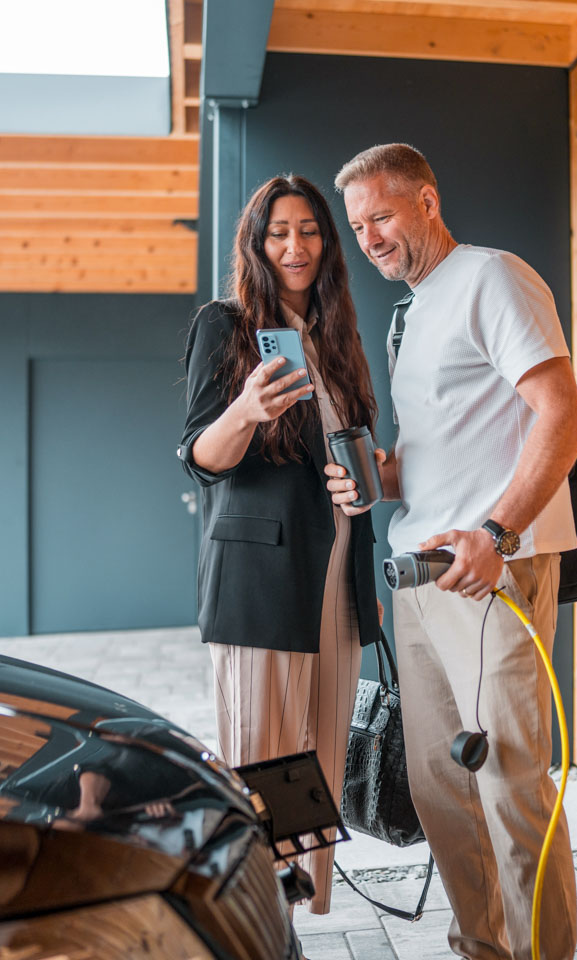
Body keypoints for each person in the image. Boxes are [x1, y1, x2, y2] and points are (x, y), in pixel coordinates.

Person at [327, 144, 577, 959]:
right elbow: (442, 447)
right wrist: (380, 474)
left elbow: (563, 416)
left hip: (489, 575)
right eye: (358, 224)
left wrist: (499, 533)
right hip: (419, 576)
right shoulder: (412, 311)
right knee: (441, 788)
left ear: (427, 202)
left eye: (382, 215)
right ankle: (482, 948)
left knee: (509, 781)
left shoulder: (492, 277)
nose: (369, 236)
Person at [177, 173, 383, 914]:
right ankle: (261, 909)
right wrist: (245, 409)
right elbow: (200, 457)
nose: (295, 246)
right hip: (261, 580)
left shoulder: (337, 338)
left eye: (308, 231)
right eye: (279, 232)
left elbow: (357, 451)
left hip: (337, 576)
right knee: (267, 759)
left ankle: (295, 904)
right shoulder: (224, 325)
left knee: (317, 757)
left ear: (326, 244)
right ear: (257, 244)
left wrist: (365, 480)